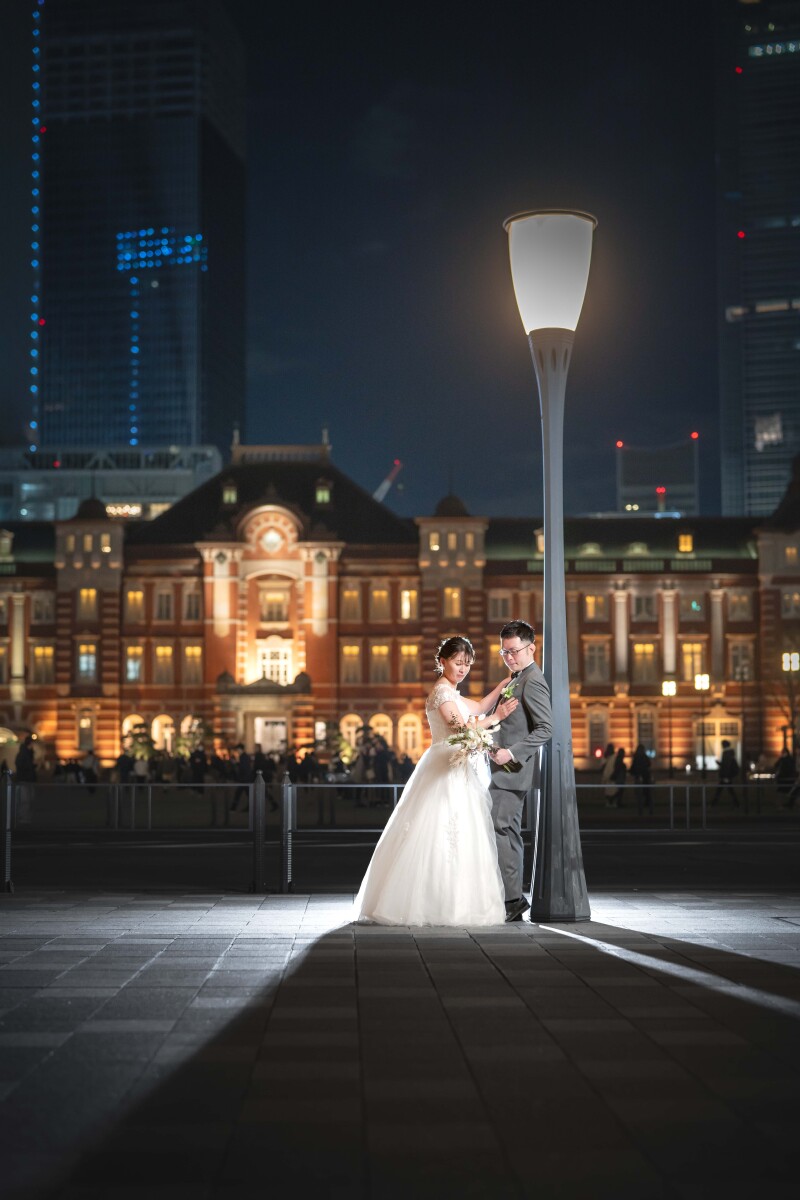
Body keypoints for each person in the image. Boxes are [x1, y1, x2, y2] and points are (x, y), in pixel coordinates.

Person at [355, 635, 518, 926]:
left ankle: (458, 901)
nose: (463, 669)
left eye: (467, 664)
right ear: (442, 661)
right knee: (437, 832)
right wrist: (497, 717)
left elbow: (479, 706)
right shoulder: (442, 693)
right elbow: (463, 731)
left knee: (461, 833)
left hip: (456, 767)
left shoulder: (452, 693)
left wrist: (503, 685)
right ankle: (432, 904)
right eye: (458, 663)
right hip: (445, 768)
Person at [487, 621, 553, 921]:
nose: (509, 657)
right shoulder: (518, 677)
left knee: (500, 829)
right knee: (504, 831)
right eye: (504, 652)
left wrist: (510, 753)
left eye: (514, 651)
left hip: (512, 772)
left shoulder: (533, 680)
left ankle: (512, 900)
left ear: (531, 648)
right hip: (503, 771)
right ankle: (510, 898)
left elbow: (545, 728)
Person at [712, 739, 740, 807]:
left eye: (722, 744)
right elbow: (726, 765)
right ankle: (736, 803)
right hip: (727, 775)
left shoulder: (726, 753)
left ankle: (714, 803)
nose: (721, 746)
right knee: (728, 790)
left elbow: (726, 765)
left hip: (726, 776)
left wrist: (725, 776)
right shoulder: (729, 753)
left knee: (721, 790)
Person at [630, 744, 653, 815]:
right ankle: (649, 810)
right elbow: (649, 764)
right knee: (647, 793)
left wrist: (632, 772)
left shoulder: (636, 757)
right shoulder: (645, 757)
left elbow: (633, 767)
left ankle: (640, 811)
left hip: (638, 778)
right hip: (645, 777)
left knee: (639, 795)